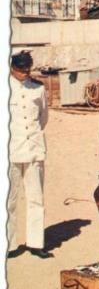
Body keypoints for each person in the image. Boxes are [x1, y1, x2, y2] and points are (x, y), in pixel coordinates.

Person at [8, 51, 50, 259]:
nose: (24, 74)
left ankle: (35, 243)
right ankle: (9, 244)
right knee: (9, 201)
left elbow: (43, 117)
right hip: (9, 150)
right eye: (20, 71)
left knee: (36, 198)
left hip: (33, 149)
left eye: (27, 71)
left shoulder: (38, 88)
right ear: (11, 68)